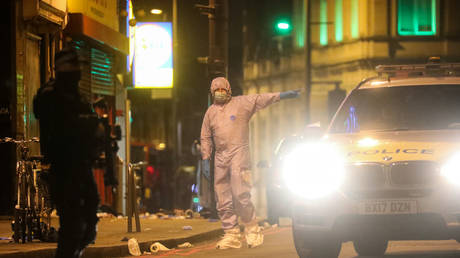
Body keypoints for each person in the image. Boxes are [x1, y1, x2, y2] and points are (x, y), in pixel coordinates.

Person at [200, 77, 300, 249]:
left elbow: (261, 98)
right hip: (220, 157)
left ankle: (252, 228)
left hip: (239, 153)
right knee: (222, 197)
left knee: (240, 193)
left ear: (229, 90)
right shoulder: (210, 112)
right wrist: (205, 157)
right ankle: (231, 233)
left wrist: (281, 96)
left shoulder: (242, 104)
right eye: (216, 90)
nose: (220, 93)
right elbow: (205, 136)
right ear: (211, 92)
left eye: (223, 90)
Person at [33, 47, 104, 258]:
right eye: (74, 68)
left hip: (83, 165)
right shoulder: (50, 95)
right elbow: (56, 124)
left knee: (90, 219)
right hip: (64, 168)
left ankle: (74, 251)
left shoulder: (78, 97)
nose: (78, 73)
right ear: (64, 70)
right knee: (71, 225)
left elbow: (92, 124)